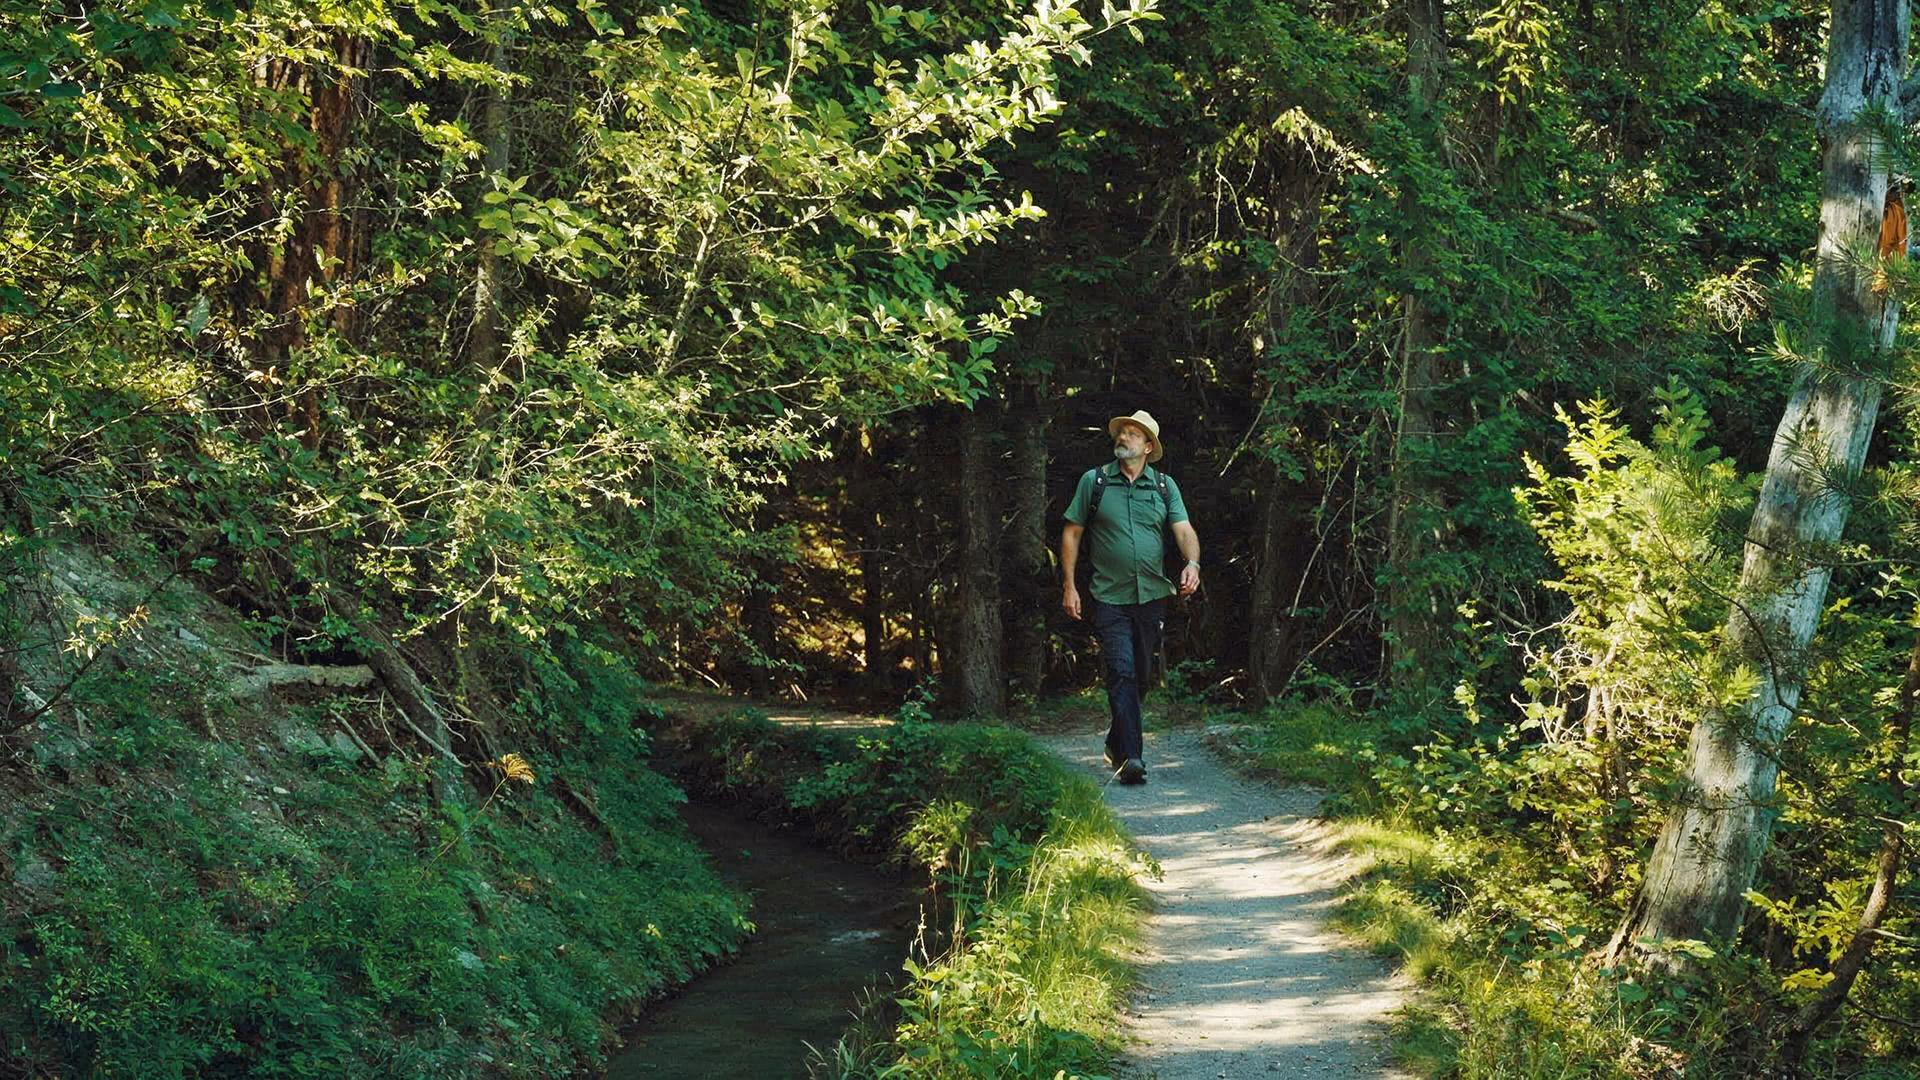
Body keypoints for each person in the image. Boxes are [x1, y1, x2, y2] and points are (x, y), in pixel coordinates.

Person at [1060, 410, 1200, 785]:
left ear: (1148, 446)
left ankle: (1115, 740)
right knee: (1121, 671)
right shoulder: (1096, 481)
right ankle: (1132, 758)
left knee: (1141, 676)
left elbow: (1183, 529)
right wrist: (1069, 585)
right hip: (1108, 595)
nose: (1123, 436)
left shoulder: (1164, 487)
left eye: (1132, 433)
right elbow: (1072, 533)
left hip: (1152, 595)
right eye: (1121, 431)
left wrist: (1193, 564)